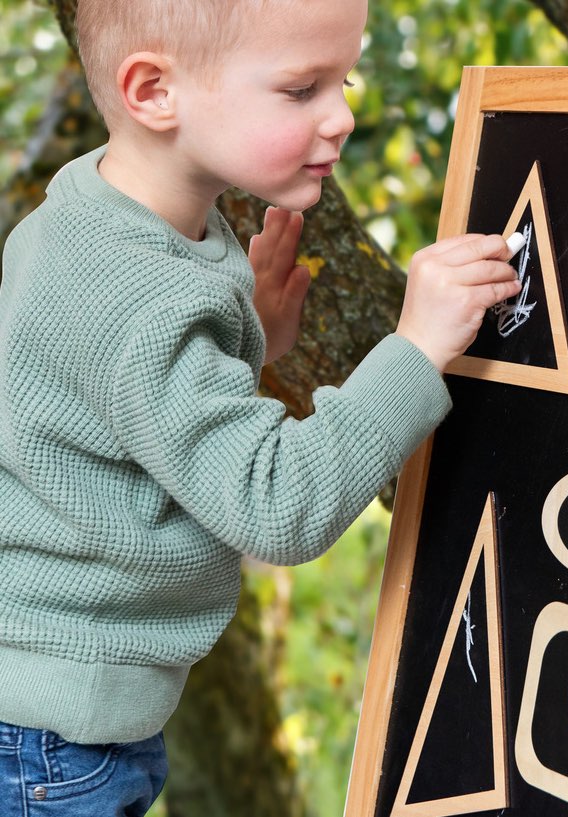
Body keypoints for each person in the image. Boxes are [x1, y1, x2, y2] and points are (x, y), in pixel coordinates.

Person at [0, 0, 521, 812]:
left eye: (341, 79)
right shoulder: (141, 298)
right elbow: (278, 505)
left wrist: (250, 339)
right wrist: (417, 347)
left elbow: (128, 415)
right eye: (301, 88)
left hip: (47, 716)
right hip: (55, 744)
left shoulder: (80, 215)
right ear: (154, 91)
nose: (343, 115)